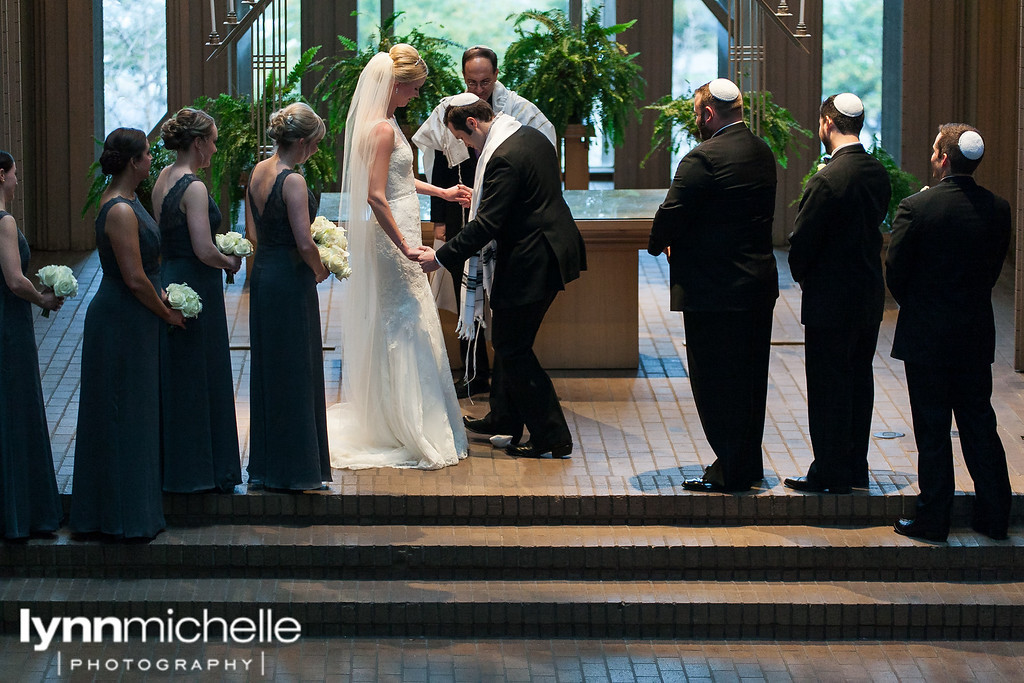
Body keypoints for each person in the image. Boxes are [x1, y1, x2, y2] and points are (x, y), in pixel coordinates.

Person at [326, 45, 471, 470]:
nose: (417, 95)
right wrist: (404, 245)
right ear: (396, 83)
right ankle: (405, 423)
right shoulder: (383, 129)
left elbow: (401, 181)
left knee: (413, 316)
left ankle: (410, 416)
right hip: (394, 237)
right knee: (405, 318)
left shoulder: (387, 122)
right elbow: (375, 195)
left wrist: (441, 192)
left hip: (403, 225)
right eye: (414, 87)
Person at [418, 97, 586, 459]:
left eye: (462, 139)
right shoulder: (527, 135)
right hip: (549, 248)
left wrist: (440, 257)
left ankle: (552, 436)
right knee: (509, 342)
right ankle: (505, 418)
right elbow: (518, 198)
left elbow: (488, 224)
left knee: (512, 346)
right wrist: (481, 197)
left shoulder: (502, 157)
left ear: (474, 124)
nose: (465, 146)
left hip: (534, 258)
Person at [647, 78, 778, 492]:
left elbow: (671, 215)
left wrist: (659, 244)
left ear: (707, 114)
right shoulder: (761, 151)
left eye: (696, 115)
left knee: (716, 383)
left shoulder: (701, 159)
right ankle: (747, 463)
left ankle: (730, 470)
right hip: (756, 286)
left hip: (713, 292)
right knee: (750, 380)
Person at [886, 124, 1012, 542]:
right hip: (974, 333)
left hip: (927, 336)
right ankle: (995, 515)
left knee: (933, 429)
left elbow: (897, 272)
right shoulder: (998, 207)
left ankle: (933, 518)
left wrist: (919, 305)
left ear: (942, 158)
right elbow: (993, 271)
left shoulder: (917, 207)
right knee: (980, 422)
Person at [412, 45, 556, 399]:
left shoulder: (518, 111)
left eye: (485, 81)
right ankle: (475, 374)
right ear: (463, 77)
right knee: (467, 295)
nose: (478, 89)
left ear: (496, 76)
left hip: (504, 221)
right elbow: (438, 166)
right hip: (464, 216)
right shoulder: (450, 110)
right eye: (471, 82)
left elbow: (546, 150)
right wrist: (440, 226)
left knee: (502, 310)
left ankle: (505, 390)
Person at [71, 128, 186, 540]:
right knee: (123, 413)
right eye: (148, 155)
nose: (152, 161)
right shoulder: (119, 209)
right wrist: (168, 314)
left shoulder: (133, 199)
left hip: (135, 318)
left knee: (138, 413)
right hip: (121, 318)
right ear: (134, 161)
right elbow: (135, 279)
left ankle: (134, 508)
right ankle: (121, 517)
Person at [784, 93, 891, 494]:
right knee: (859, 383)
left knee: (828, 388)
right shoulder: (876, 171)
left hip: (831, 300)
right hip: (867, 295)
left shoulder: (826, 179)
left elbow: (803, 242)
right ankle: (855, 467)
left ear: (827, 123)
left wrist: (804, 277)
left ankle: (829, 472)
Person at [152, 107, 242, 493]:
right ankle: (202, 472)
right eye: (214, 141)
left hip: (171, 279)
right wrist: (230, 261)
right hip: (197, 286)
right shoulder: (194, 186)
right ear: (199, 142)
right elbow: (204, 248)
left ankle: (178, 466)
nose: (216, 150)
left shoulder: (161, 179)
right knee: (201, 374)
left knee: (179, 376)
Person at [246, 102, 332, 491]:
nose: (313, 152)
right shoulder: (292, 181)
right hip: (290, 280)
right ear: (299, 142)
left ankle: (267, 466)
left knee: (270, 368)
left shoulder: (257, 172)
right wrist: (321, 267)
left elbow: (252, 236)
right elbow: (303, 240)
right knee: (297, 370)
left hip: (265, 275)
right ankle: (297, 471)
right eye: (312, 145)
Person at [0, 150, 64, 539]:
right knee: (15, 405)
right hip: (9, 324)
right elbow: (13, 278)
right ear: (0, 175)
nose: (17, 181)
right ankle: (22, 512)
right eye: (14, 174)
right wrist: (41, 298)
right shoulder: (4, 221)